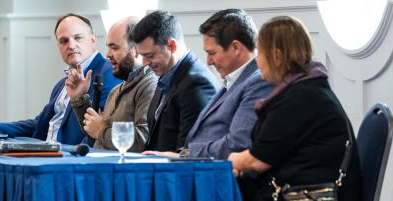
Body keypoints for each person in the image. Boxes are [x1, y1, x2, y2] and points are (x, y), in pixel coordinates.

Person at [228, 16, 360, 201]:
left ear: (277, 56)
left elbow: (256, 160)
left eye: (261, 54)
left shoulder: (302, 98)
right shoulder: (307, 88)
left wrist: (232, 160)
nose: (258, 62)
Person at [0, 13, 120, 145]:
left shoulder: (108, 73)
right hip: (44, 152)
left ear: (93, 39)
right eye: (64, 41)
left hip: (69, 161)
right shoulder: (62, 84)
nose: (71, 45)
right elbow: (38, 125)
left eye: (78, 38)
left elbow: (99, 129)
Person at [144, 9, 274, 159]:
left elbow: (237, 144)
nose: (208, 61)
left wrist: (185, 156)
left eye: (212, 53)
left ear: (236, 48)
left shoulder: (259, 81)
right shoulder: (233, 80)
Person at [130, 10, 218, 152]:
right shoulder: (165, 74)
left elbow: (187, 151)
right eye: (142, 56)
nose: (145, 63)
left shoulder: (197, 83)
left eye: (150, 55)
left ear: (172, 46)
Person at [66, 16, 159, 151]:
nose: (108, 54)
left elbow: (142, 140)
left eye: (114, 47)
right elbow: (94, 134)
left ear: (137, 49)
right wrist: (79, 98)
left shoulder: (150, 84)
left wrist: (102, 130)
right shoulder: (116, 90)